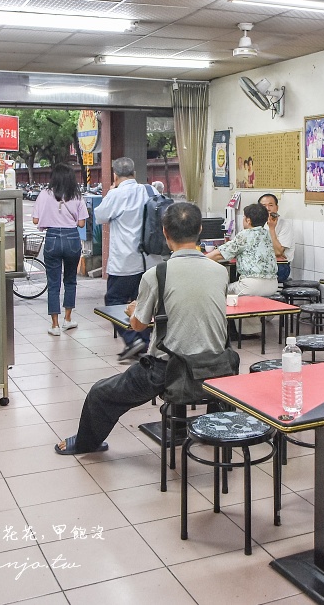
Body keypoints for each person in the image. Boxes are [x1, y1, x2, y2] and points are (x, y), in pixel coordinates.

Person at [55, 201, 228, 455]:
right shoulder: (219, 271)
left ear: (165, 233)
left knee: (100, 393)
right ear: (200, 229)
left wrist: (132, 310)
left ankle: (86, 443)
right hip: (216, 364)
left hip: (168, 370)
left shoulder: (157, 274)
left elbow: (138, 324)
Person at [94, 157, 152, 362]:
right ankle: (144, 341)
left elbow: (99, 216)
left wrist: (112, 190)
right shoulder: (148, 191)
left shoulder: (116, 194)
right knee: (143, 301)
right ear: (135, 174)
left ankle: (132, 338)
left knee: (114, 301)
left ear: (115, 176)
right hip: (147, 260)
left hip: (124, 261)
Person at [32, 162, 88, 336]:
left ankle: (54, 325)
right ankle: (68, 320)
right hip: (72, 238)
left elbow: (35, 220)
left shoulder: (44, 194)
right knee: (70, 280)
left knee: (53, 283)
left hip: (52, 238)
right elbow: (81, 223)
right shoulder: (77, 196)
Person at [206, 203, 277, 297]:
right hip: (273, 285)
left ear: (248, 220)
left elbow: (219, 254)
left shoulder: (245, 234)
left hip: (251, 286)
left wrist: (199, 259)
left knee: (218, 292)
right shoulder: (266, 234)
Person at [258, 193, 295, 282]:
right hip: (262, 263)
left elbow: (278, 251)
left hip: (280, 266)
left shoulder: (285, 225)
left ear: (277, 208)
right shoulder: (258, 223)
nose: (267, 209)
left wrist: (272, 228)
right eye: (263, 206)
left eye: (270, 205)